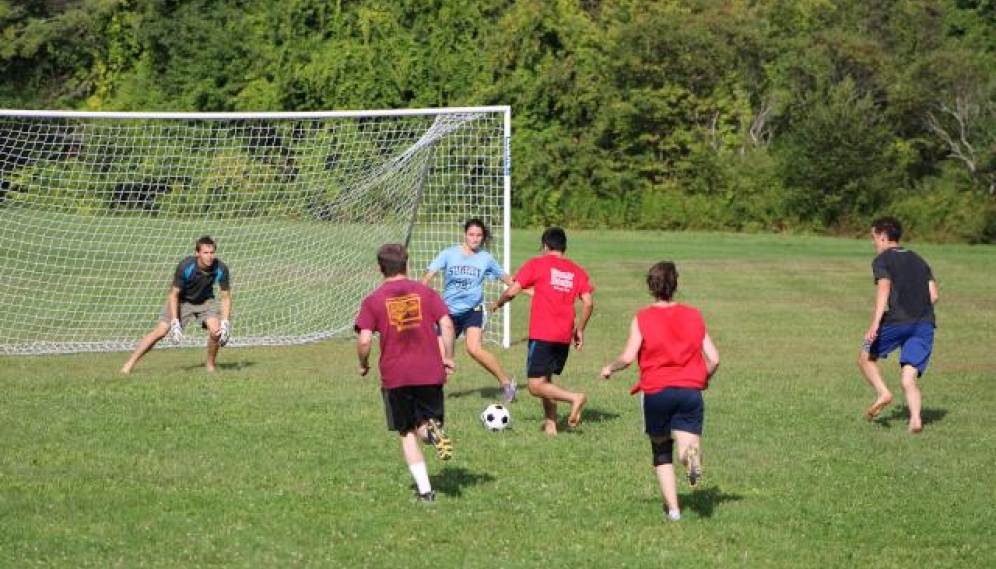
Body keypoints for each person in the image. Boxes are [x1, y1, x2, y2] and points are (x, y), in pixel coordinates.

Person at [600, 261, 719, 522]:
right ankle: (691, 458)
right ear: (675, 284)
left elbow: (629, 357)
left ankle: (674, 511)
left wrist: (611, 367)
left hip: (656, 392)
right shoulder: (693, 315)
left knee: (662, 451)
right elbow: (714, 358)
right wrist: (702, 379)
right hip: (689, 391)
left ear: (650, 287)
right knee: (687, 447)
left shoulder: (643, 317)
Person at [355, 243, 457, 502]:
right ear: (407, 264)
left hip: (396, 376)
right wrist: (448, 356)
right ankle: (433, 433)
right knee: (424, 424)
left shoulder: (373, 300)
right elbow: (446, 322)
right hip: (429, 371)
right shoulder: (425, 293)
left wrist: (363, 363)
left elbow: (365, 340)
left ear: (380, 268)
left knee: (406, 432)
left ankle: (426, 492)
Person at [490, 227, 593, 435]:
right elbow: (588, 303)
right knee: (546, 380)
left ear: (545, 246)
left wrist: (498, 303)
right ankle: (551, 425)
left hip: (543, 333)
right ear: (564, 247)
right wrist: (579, 330)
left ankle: (575, 398)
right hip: (564, 335)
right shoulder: (576, 270)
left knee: (535, 386)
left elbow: (513, 290)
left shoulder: (537, 263)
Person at [422, 218, 518, 403]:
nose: (474, 239)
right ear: (465, 235)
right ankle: (432, 396)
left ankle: (506, 384)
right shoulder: (448, 254)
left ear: (483, 238)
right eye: (471, 235)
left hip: (473, 311)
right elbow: (428, 275)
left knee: (474, 349)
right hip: (448, 314)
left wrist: (527, 286)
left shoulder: (486, 258)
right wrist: (421, 295)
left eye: (479, 235)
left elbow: (507, 279)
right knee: (439, 358)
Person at [859, 216, 939, 434]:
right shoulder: (919, 259)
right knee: (908, 377)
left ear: (883, 237)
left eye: (874, 237)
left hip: (897, 320)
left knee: (865, 357)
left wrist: (875, 324)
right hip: (924, 322)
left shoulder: (883, 260)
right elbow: (934, 295)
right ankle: (915, 420)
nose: (873, 242)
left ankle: (883, 392)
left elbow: (883, 289)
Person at [121, 235, 232, 374]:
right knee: (160, 331)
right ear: (197, 253)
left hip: (205, 302)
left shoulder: (221, 268)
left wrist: (225, 323)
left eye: (211, 253)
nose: (209, 256)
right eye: (205, 253)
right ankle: (128, 365)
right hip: (181, 301)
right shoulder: (186, 266)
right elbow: (173, 294)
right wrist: (174, 322)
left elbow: (226, 297)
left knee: (216, 332)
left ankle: (210, 366)